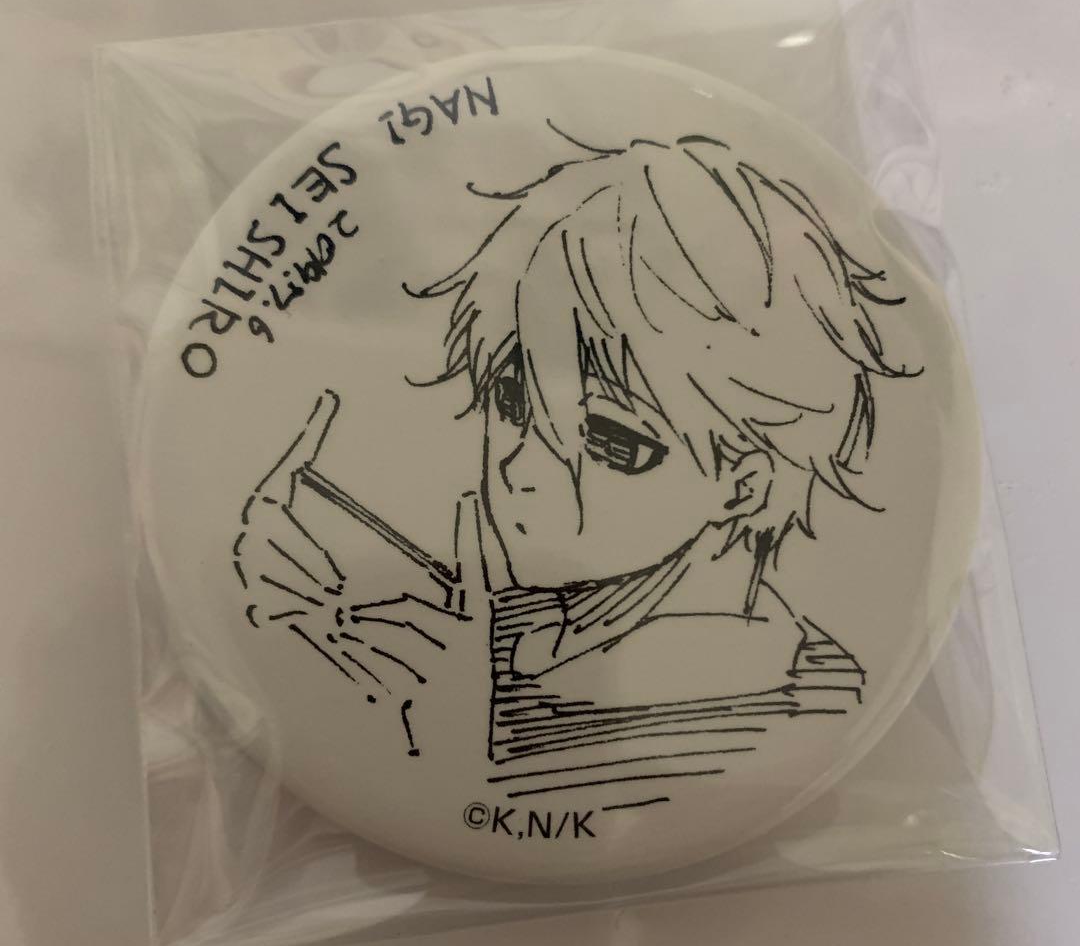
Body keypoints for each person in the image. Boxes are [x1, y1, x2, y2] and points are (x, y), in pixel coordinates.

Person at [236, 128, 918, 783]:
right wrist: (314, 621)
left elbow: (536, 803)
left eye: (609, 442)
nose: (521, 465)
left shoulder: (787, 712)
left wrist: (449, 739)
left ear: (746, 482)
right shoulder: (532, 627)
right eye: (510, 400)